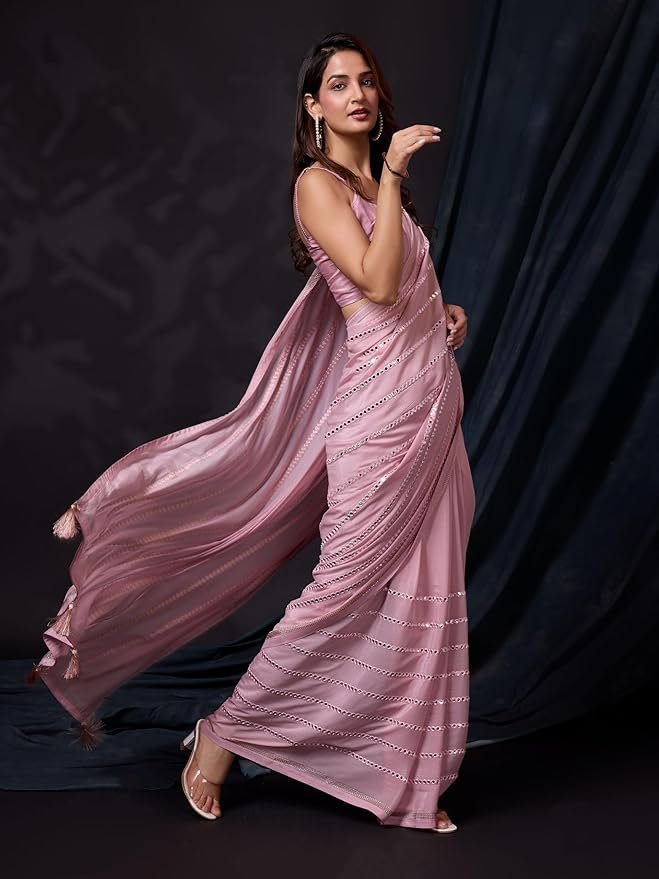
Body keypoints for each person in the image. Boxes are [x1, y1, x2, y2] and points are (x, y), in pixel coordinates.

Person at [29, 33, 474, 834]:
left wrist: (438, 311)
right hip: (378, 425)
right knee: (336, 597)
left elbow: (396, 290)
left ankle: (404, 781)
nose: (357, 95)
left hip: (432, 411)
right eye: (337, 84)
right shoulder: (317, 186)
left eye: (365, 81)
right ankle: (223, 732)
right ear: (313, 106)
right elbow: (374, 284)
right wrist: (396, 174)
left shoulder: (373, 185)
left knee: (423, 592)